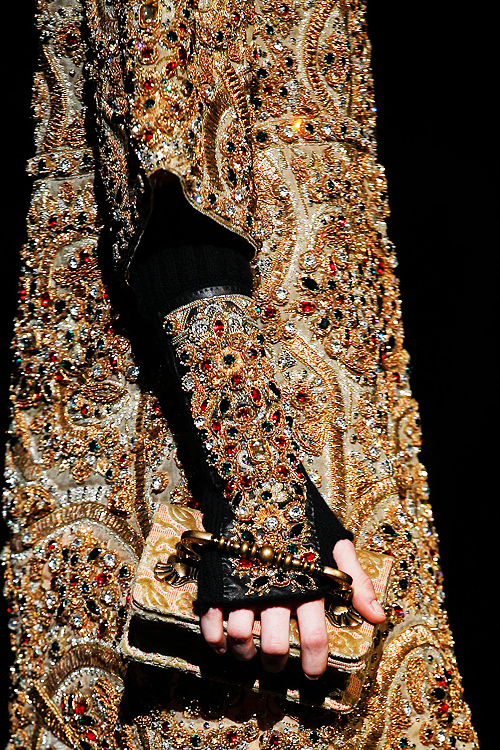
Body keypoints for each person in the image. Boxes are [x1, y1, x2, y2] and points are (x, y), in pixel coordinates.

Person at [2, 0, 478, 748]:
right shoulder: (259, 484)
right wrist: (263, 501)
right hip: (222, 427)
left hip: (284, 393)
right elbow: (160, 83)